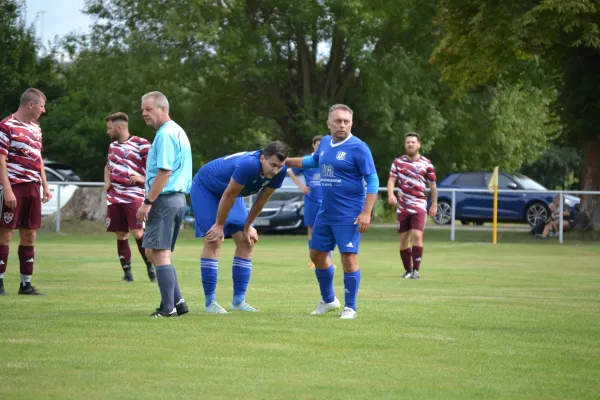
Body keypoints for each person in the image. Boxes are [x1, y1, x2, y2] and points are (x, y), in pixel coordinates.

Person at [285, 104, 379, 320]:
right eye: (338, 121)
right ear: (329, 124)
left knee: (348, 258)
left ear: (351, 124)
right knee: (316, 254)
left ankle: (350, 307)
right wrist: (286, 161)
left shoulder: (359, 148)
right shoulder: (326, 143)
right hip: (325, 212)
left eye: (346, 121)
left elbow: (373, 180)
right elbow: (313, 161)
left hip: (349, 214)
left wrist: (366, 213)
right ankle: (329, 300)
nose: (342, 125)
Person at [190, 141, 288, 314]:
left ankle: (238, 301)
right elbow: (229, 194)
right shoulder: (249, 165)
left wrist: (248, 225)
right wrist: (219, 225)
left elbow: (262, 199)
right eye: (272, 165)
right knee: (214, 239)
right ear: (262, 158)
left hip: (231, 192)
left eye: (279, 166)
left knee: (246, 240)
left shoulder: (280, 171)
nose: (275, 170)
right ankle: (210, 302)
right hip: (207, 188)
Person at [136, 91, 192, 317]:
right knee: (152, 250)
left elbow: (164, 171)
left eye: (148, 109)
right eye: (142, 110)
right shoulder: (176, 130)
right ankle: (178, 302)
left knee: (159, 253)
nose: (144, 114)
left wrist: (148, 201)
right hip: (176, 199)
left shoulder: (166, 134)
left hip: (165, 199)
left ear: (163, 109)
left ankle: (168, 309)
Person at [0, 88, 52, 296]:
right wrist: (8, 189)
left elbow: (38, 159)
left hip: (33, 187)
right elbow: (1, 160)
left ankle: (25, 284)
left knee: (29, 234)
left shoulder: (36, 128)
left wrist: (45, 185)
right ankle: (1, 282)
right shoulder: (6, 126)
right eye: (41, 106)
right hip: (14, 186)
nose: (43, 110)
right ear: (31, 105)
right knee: (5, 233)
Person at [104, 112, 155, 282]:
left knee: (138, 232)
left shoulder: (142, 145)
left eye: (110, 128)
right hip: (115, 198)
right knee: (121, 234)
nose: (108, 132)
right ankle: (127, 273)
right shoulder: (112, 147)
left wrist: (143, 178)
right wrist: (107, 180)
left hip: (134, 196)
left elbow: (156, 168)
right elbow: (107, 166)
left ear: (119, 127)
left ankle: (150, 266)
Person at [387, 132, 437, 279]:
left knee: (416, 235)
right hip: (403, 206)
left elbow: (433, 185)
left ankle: (416, 270)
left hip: (420, 205)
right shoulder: (398, 162)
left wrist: (434, 204)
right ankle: (408, 270)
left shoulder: (426, 163)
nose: (410, 144)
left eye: (413, 142)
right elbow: (391, 180)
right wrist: (391, 194)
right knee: (403, 238)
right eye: (408, 142)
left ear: (419, 144)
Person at [287, 135, 331, 269]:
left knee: (327, 228)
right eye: (317, 145)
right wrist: (301, 185)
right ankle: (313, 259)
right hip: (311, 199)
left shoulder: (328, 158)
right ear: (313, 145)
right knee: (311, 229)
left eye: (321, 145)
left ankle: (328, 259)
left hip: (327, 200)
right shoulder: (308, 160)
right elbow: (290, 170)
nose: (319, 147)